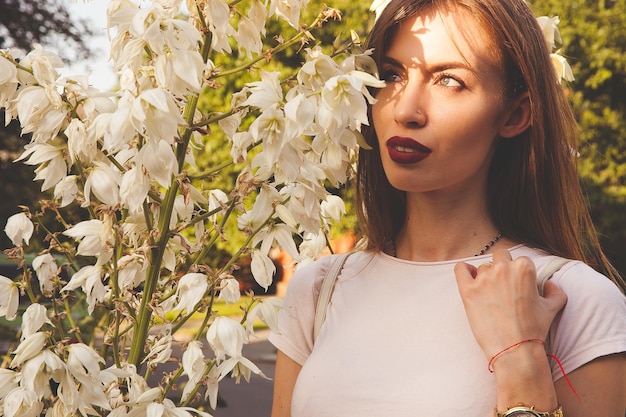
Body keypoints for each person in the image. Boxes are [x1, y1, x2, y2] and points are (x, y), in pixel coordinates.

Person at [268, 0, 626, 415]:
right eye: (390, 76)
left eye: (450, 81)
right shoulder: (318, 291)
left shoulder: (573, 300)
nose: (405, 110)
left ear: (515, 114)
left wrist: (521, 367)